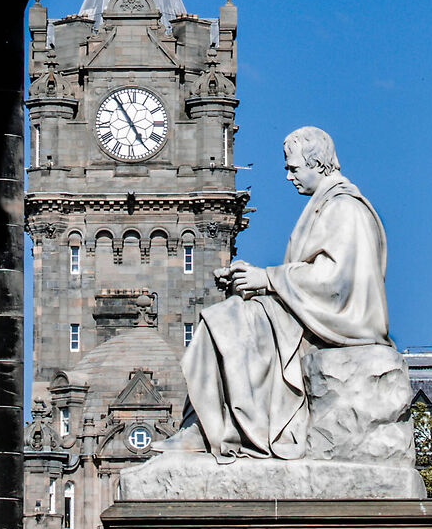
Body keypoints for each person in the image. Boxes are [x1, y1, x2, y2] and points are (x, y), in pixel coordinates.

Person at [156, 127, 390, 460]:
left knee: (224, 321)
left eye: (293, 168)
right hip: (313, 316)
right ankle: (205, 427)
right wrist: (250, 281)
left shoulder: (344, 208)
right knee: (227, 317)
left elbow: (336, 282)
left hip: (341, 323)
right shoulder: (325, 205)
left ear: (318, 164)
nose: (288, 176)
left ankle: (214, 430)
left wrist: (266, 279)